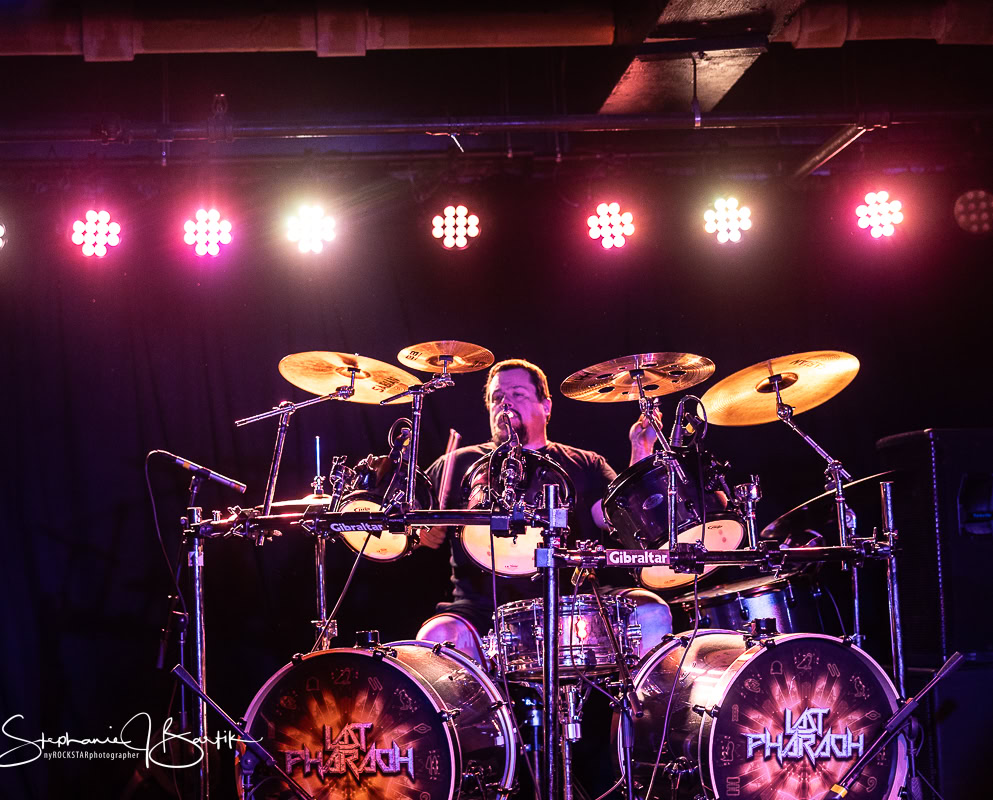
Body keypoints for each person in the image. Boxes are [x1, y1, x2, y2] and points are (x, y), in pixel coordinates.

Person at [415, 358, 671, 662]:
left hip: (574, 601)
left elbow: (613, 517)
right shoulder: (458, 463)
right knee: (434, 636)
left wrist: (641, 448)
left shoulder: (584, 462)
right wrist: (419, 534)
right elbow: (405, 527)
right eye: (497, 397)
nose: (505, 402)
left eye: (518, 394)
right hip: (481, 609)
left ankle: (640, 696)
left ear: (546, 406)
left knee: (652, 613)